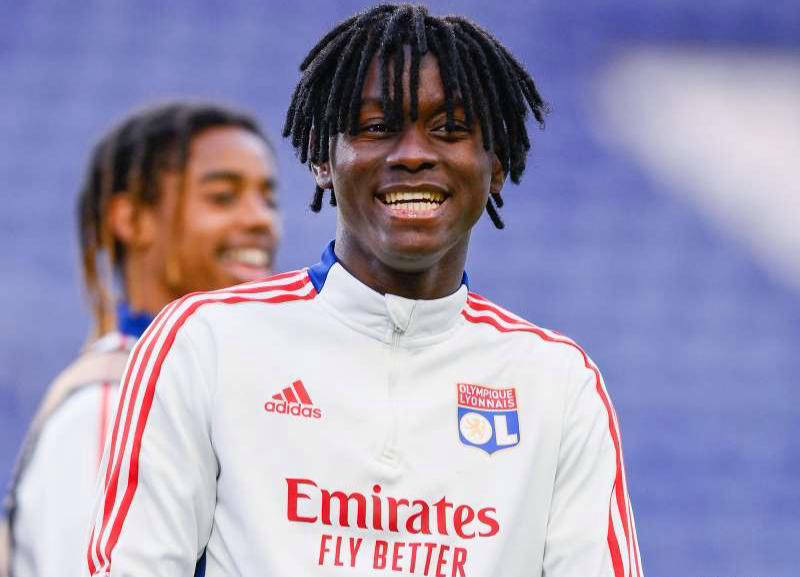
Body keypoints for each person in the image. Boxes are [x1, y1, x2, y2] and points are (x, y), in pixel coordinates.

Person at [86, 5, 642, 576]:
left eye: (450, 129)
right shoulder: (204, 341)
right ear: (322, 160)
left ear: (495, 166)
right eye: (376, 127)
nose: (413, 154)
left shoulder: (557, 383)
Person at [0, 101, 280, 577]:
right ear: (130, 219)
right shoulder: (114, 405)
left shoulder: (217, 385)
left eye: (267, 199)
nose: (261, 220)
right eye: (222, 197)